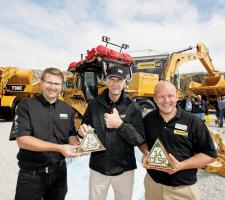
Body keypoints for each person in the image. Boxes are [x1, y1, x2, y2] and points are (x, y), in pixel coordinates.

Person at [9, 67, 82, 200]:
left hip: (59, 174)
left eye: (57, 84)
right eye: (49, 82)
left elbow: (71, 136)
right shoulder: (26, 106)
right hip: (32, 174)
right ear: (42, 83)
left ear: (62, 86)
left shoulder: (67, 109)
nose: (52, 87)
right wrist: (59, 148)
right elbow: (23, 141)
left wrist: (81, 139)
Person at [78, 65, 145, 200]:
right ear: (106, 80)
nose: (115, 84)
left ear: (125, 82)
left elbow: (139, 139)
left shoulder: (133, 107)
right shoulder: (94, 105)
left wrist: (120, 125)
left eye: (119, 80)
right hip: (98, 168)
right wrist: (81, 132)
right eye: (111, 79)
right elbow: (83, 127)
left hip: (124, 170)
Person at [142, 81, 217, 200]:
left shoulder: (193, 121)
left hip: (182, 190)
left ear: (177, 96)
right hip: (153, 185)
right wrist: (146, 152)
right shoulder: (148, 119)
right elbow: (143, 141)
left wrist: (180, 166)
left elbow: (210, 154)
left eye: (170, 96)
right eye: (161, 96)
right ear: (154, 99)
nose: (166, 101)